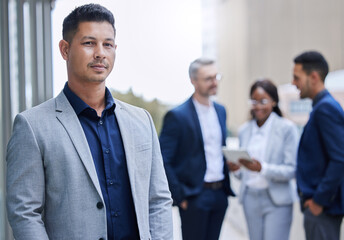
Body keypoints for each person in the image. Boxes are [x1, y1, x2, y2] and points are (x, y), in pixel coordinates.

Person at [6, 4, 173, 240]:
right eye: (89, 43)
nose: (100, 53)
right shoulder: (32, 126)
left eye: (108, 44)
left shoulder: (141, 120)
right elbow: (24, 213)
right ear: (65, 49)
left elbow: (158, 199)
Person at [159, 58, 235, 240]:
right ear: (193, 81)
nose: (214, 82)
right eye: (208, 78)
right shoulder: (177, 116)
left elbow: (216, 150)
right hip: (194, 197)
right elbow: (163, 159)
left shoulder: (221, 110)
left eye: (216, 76)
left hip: (220, 195)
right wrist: (180, 197)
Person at [228, 79, 299, 240]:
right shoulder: (245, 130)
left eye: (263, 101)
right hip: (250, 199)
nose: (258, 106)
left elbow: (291, 170)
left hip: (277, 200)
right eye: (254, 101)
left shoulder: (287, 128)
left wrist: (262, 168)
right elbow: (244, 173)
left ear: (274, 101)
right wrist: (237, 169)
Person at [292, 51, 344, 240]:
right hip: (320, 209)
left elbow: (339, 158)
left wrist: (319, 201)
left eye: (297, 77)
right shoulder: (321, 107)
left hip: (322, 210)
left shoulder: (326, 108)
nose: (293, 83)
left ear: (313, 77)